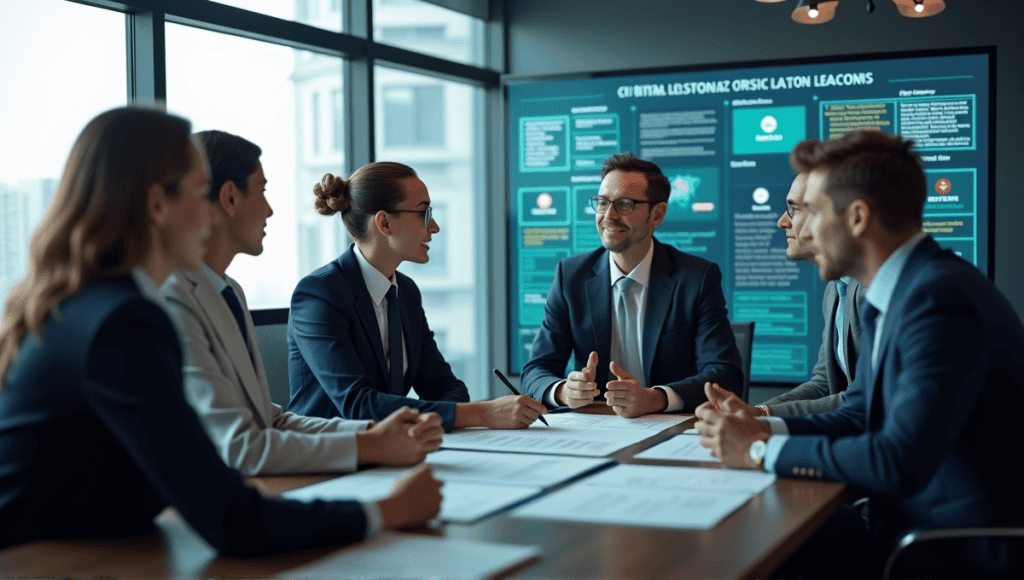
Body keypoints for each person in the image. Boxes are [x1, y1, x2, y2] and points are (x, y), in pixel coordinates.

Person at [0, 108, 441, 554]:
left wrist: (371, 439)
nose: (212, 215)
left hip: (97, 548)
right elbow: (231, 517)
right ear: (157, 206)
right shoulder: (124, 323)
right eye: (200, 193)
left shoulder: (99, 305)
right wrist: (388, 511)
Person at [696, 129, 1024, 575]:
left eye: (809, 211)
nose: (799, 228)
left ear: (857, 218)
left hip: (955, 546)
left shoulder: (939, 299)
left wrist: (757, 451)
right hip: (910, 522)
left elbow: (896, 461)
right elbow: (858, 413)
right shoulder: (893, 293)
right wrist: (761, 424)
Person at [162, 130, 443, 476]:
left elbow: (270, 419)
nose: (270, 208)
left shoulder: (228, 291)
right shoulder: (173, 299)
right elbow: (242, 447)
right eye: (263, 190)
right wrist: (374, 443)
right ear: (230, 198)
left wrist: (374, 434)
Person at [287, 162, 547, 431]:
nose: (434, 227)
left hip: (390, 451)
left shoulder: (406, 292)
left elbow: (443, 385)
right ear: (384, 223)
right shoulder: (319, 294)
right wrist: (481, 414)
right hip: (324, 459)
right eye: (424, 213)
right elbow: (357, 405)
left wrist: (449, 415)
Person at [521, 152, 743, 416]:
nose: (609, 215)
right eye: (603, 203)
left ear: (657, 214)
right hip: (594, 427)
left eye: (625, 204)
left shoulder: (697, 278)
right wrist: (563, 391)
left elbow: (725, 375)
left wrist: (657, 398)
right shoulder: (570, 277)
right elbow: (535, 371)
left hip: (670, 428)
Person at [752, 173, 866, 417]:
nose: (783, 222)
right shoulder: (835, 289)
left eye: (795, 210)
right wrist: (758, 412)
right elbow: (825, 384)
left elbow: (870, 398)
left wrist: (762, 418)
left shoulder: (874, 288)